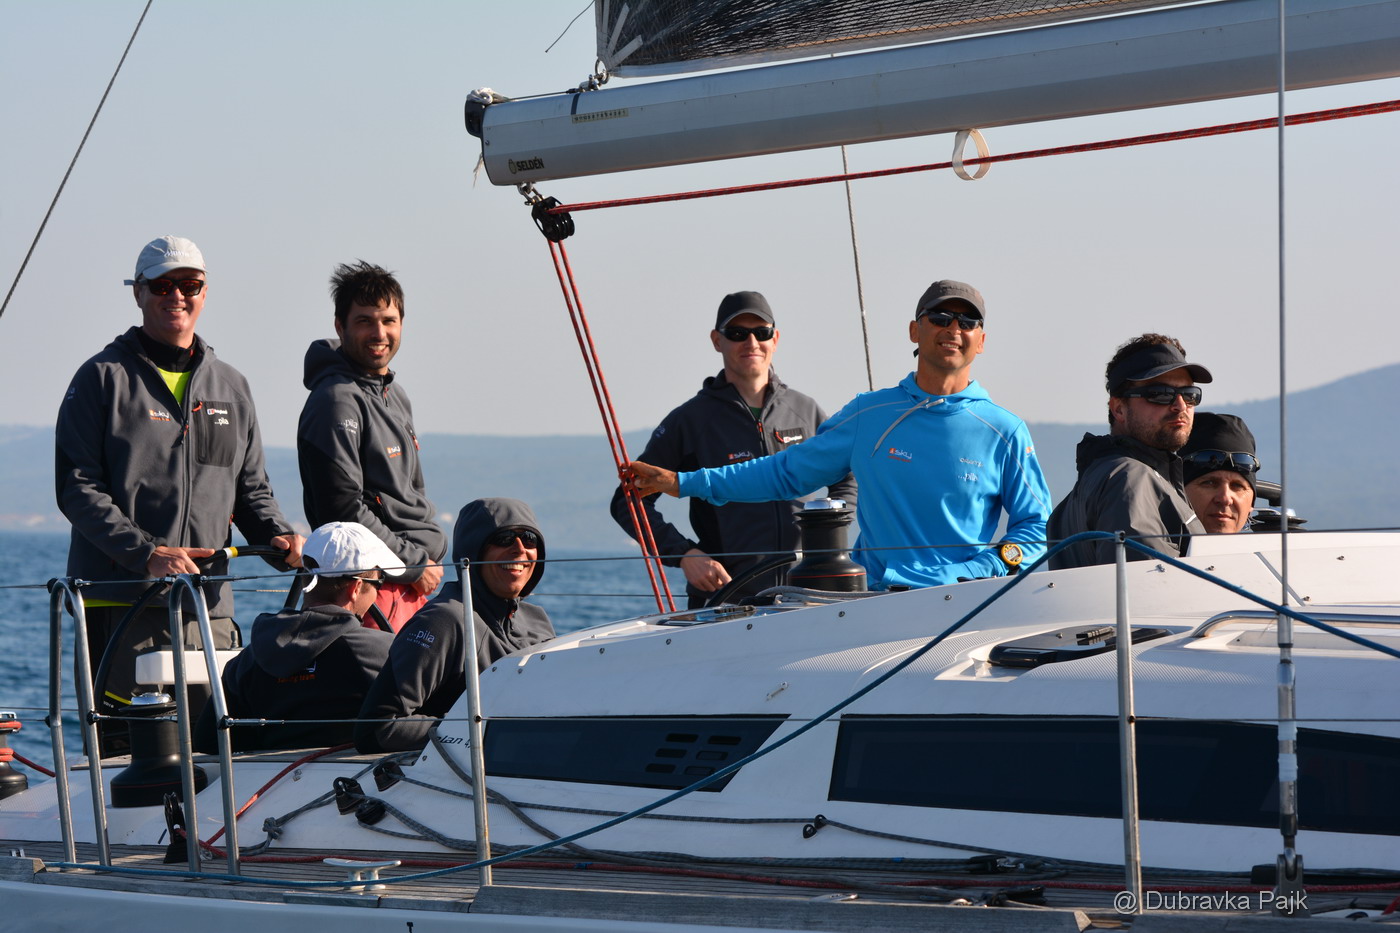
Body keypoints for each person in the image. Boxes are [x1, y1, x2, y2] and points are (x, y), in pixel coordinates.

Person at [626, 280, 1051, 589]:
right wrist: (684, 483)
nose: (953, 329)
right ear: (914, 331)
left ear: (981, 340)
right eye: (940, 318)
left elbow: (1036, 527)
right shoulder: (869, 414)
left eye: (967, 321)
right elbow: (783, 473)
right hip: (874, 604)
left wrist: (981, 569)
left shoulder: (1005, 429)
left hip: (964, 604)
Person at [55, 235, 304, 757]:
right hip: (122, 605)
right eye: (162, 285)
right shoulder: (101, 378)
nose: (177, 296)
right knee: (129, 759)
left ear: (205, 293)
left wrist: (279, 537)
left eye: (189, 285)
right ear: (138, 293)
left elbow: (250, 490)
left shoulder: (232, 387)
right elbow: (77, 488)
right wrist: (146, 553)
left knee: (214, 755)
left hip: (209, 609)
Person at [610, 291, 857, 607]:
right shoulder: (691, 420)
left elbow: (847, 476)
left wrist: (831, 532)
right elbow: (627, 501)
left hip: (806, 595)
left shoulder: (805, 411)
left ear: (775, 339)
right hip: (727, 599)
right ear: (717, 341)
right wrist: (684, 554)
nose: (751, 342)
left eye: (761, 332)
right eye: (737, 333)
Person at [298, 260, 447, 632]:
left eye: (388, 320)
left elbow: (413, 494)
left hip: (410, 584)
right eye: (365, 321)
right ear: (340, 326)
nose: (379, 333)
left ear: (401, 324)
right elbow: (342, 509)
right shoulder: (335, 401)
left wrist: (419, 565)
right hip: (370, 589)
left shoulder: (396, 396)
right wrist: (413, 564)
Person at [355, 498, 555, 753]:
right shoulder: (443, 621)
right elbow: (377, 729)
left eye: (529, 539)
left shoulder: (538, 621)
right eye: (504, 539)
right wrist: (483, 730)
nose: (519, 549)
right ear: (472, 552)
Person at [192, 522, 401, 753]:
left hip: (266, 774)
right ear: (356, 588)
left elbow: (208, 742)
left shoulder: (247, 661)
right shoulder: (384, 652)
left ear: (305, 579)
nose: (378, 591)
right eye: (379, 582)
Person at [1046, 334, 1212, 568]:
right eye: (1160, 394)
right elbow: (1149, 584)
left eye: (1190, 394)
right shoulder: (1131, 479)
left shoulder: (1092, 485)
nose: (1180, 406)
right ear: (1118, 409)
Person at [1179, 412, 1259, 534]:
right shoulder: (1151, 543)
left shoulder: (1280, 545)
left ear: (1251, 505)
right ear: (1179, 493)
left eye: (1237, 486)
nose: (1225, 499)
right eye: (1209, 483)